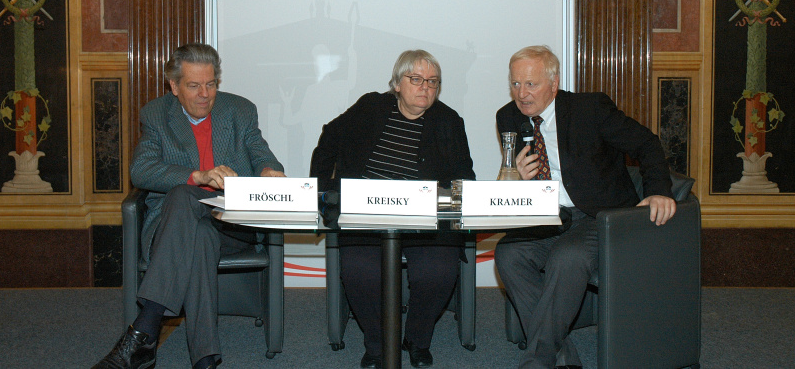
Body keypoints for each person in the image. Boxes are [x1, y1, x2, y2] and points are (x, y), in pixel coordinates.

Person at [93, 43, 285, 369]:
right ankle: (205, 359)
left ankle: (145, 329)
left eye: (210, 84)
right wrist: (198, 175)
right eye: (194, 85)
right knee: (195, 223)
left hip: (231, 224)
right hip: (173, 225)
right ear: (174, 87)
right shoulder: (156, 114)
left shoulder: (239, 111)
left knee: (194, 212)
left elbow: (261, 153)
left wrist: (269, 169)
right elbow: (141, 170)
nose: (204, 94)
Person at [493, 45, 676, 369]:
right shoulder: (508, 117)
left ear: (553, 81)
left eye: (531, 84)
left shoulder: (590, 109)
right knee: (508, 254)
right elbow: (509, 179)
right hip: (549, 216)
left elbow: (647, 143)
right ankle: (563, 356)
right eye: (515, 84)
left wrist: (659, 191)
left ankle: (537, 361)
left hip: (599, 215)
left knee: (569, 257)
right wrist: (515, 179)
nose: (521, 94)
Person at [310, 49, 475, 368]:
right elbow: (330, 136)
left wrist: (452, 202)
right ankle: (377, 342)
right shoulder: (370, 106)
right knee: (360, 271)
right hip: (365, 212)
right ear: (397, 84)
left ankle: (417, 337)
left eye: (432, 81)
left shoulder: (449, 120)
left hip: (425, 218)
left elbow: (463, 173)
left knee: (438, 270)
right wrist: (324, 190)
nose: (425, 87)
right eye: (416, 79)